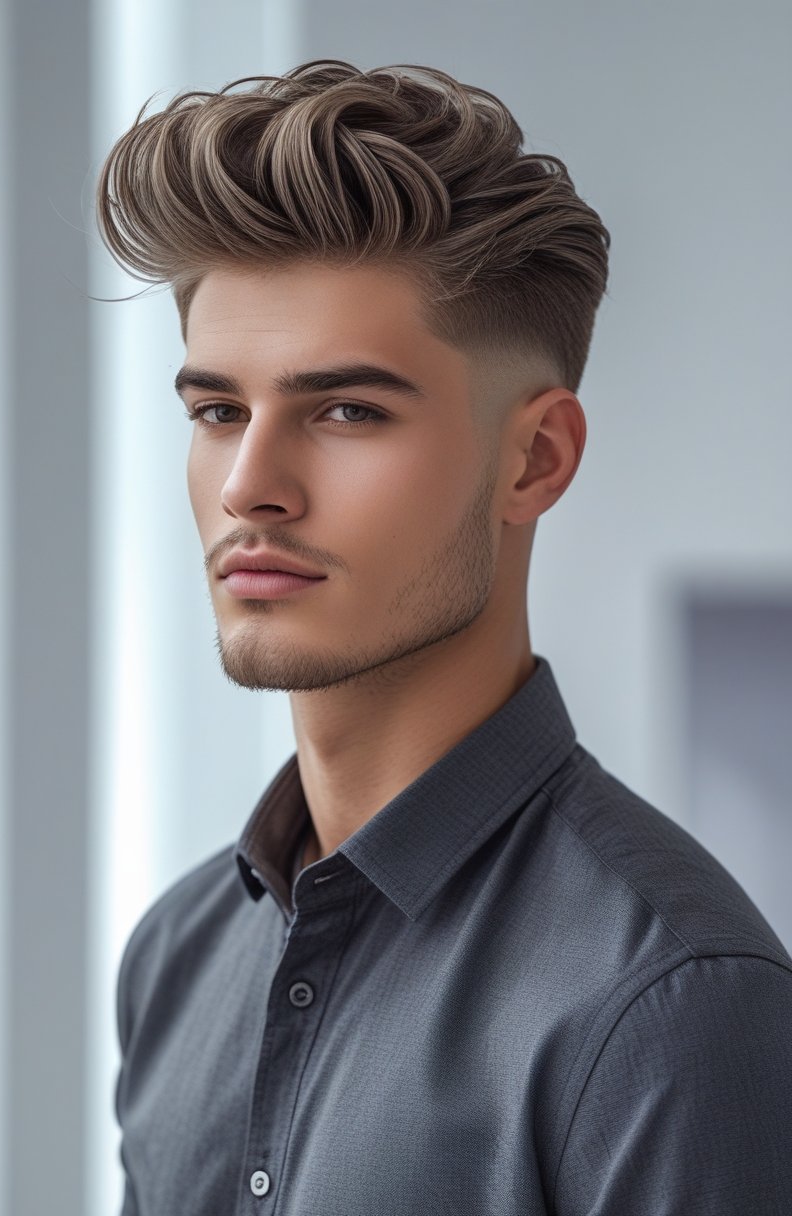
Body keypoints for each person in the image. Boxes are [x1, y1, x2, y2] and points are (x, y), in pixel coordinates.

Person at [95, 59, 792, 1216]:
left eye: (346, 411)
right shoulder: (177, 957)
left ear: (534, 460)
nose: (249, 487)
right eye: (218, 411)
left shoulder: (673, 1001)